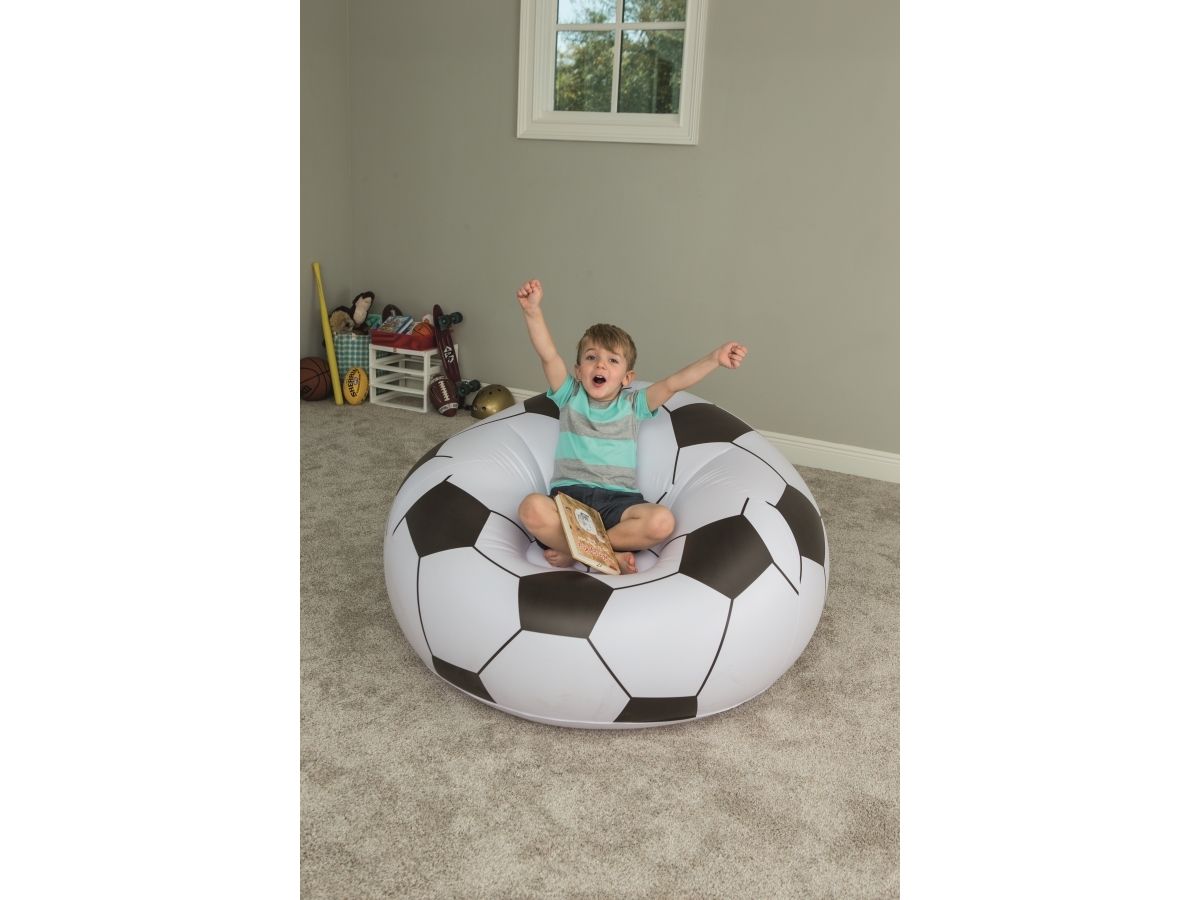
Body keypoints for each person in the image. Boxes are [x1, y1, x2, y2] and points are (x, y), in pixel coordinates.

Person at [515, 278, 748, 574]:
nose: (600, 365)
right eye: (591, 357)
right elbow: (548, 354)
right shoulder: (569, 395)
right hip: (569, 499)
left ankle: (579, 550)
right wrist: (532, 311)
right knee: (531, 508)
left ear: (627, 378)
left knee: (661, 521)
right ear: (578, 370)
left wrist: (715, 358)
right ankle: (599, 554)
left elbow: (674, 383)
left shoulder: (634, 404)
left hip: (618, 501)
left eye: (612, 360)